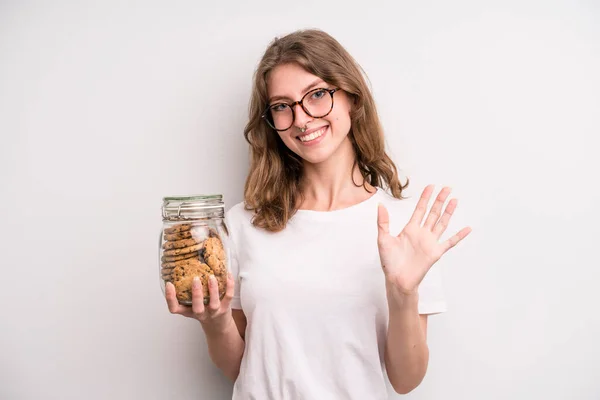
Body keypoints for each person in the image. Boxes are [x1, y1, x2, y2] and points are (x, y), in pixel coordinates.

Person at [165, 29, 471, 399]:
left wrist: (403, 294)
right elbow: (241, 368)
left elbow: (405, 380)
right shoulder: (245, 223)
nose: (301, 118)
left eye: (316, 95)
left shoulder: (406, 229)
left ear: (351, 99)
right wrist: (215, 324)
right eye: (282, 105)